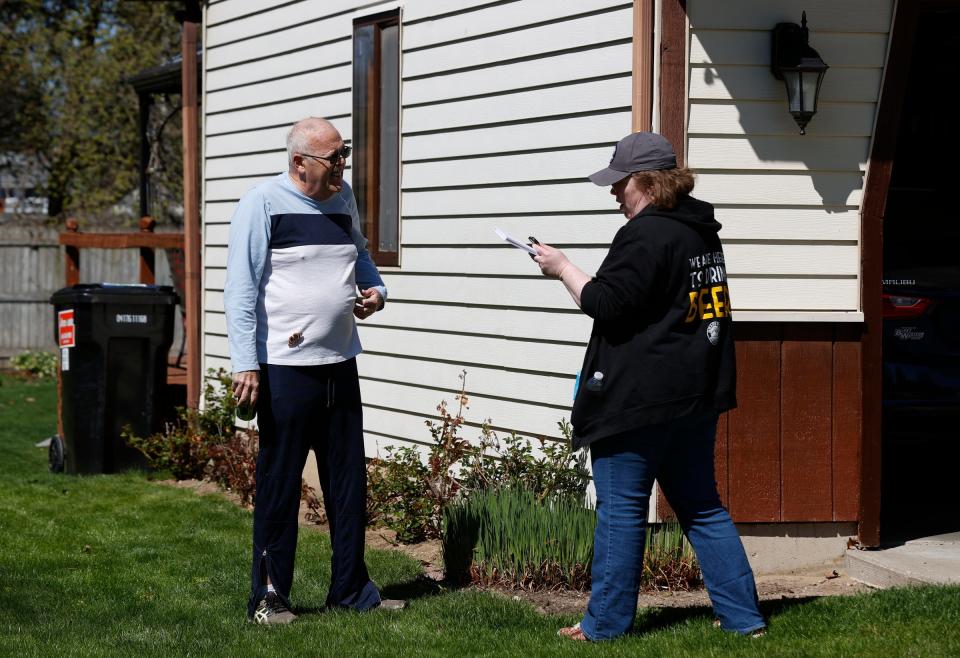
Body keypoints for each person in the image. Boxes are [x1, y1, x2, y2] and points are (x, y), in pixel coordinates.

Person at [531, 132, 766, 641]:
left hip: (638, 402)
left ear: (647, 181)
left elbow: (607, 305)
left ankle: (604, 626)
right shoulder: (701, 232)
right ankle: (744, 619)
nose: (613, 193)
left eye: (619, 183)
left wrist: (562, 267)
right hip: (694, 395)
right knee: (702, 507)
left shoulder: (646, 234)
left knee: (621, 514)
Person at [224, 116, 403, 624]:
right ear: (300, 163)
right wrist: (246, 363)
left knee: (348, 483)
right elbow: (239, 289)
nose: (343, 165)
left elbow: (361, 258)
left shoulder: (343, 201)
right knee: (280, 485)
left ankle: (351, 589)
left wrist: (377, 292)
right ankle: (269, 597)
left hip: (340, 362)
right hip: (284, 369)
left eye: (344, 154)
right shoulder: (262, 204)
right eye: (334, 158)